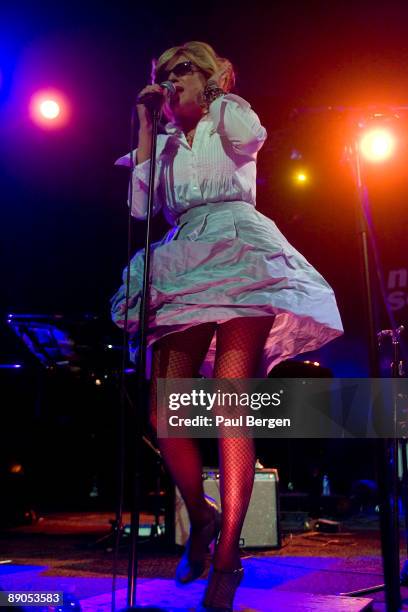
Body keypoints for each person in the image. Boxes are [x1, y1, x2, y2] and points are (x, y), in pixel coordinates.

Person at [111, 40, 343, 611]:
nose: (174, 80)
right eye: (166, 74)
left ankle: (227, 557)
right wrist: (146, 127)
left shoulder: (228, 115)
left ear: (213, 77)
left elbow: (251, 139)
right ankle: (201, 511)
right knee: (165, 409)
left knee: (230, 402)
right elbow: (142, 210)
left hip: (239, 247)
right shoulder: (160, 143)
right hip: (184, 256)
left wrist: (213, 90)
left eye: (184, 69)